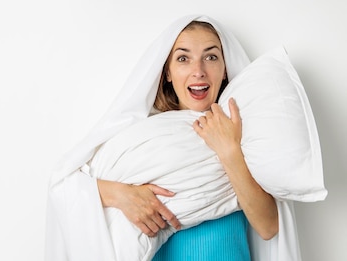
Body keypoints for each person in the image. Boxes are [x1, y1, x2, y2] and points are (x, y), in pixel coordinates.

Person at [45, 15, 314, 261]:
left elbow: (269, 227)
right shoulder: (140, 139)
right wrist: (122, 195)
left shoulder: (246, 134)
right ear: (168, 74)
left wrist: (228, 150)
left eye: (211, 57)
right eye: (183, 59)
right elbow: (64, 183)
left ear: (225, 70)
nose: (198, 71)